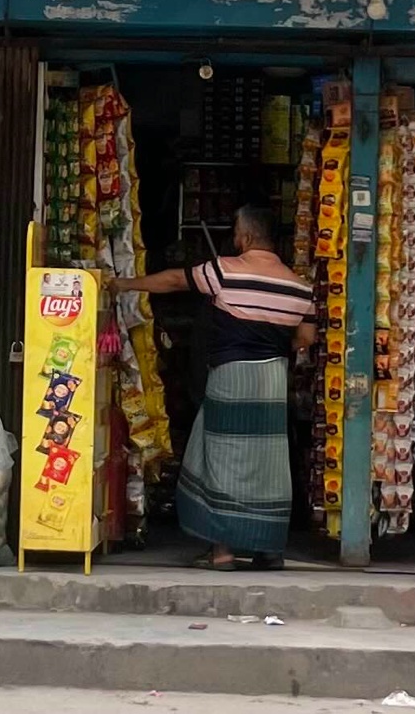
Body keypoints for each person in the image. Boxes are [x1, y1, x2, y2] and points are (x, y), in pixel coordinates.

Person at [111, 205, 314, 571]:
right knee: (267, 464)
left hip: (230, 377)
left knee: (221, 457)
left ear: (246, 237)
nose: (234, 238)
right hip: (272, 380)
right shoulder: (299, 287)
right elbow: (305, 338)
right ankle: (268, 549)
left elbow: (175, 281)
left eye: (236, 232)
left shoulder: (224, 270)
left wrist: (124, 284)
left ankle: (222, 552)